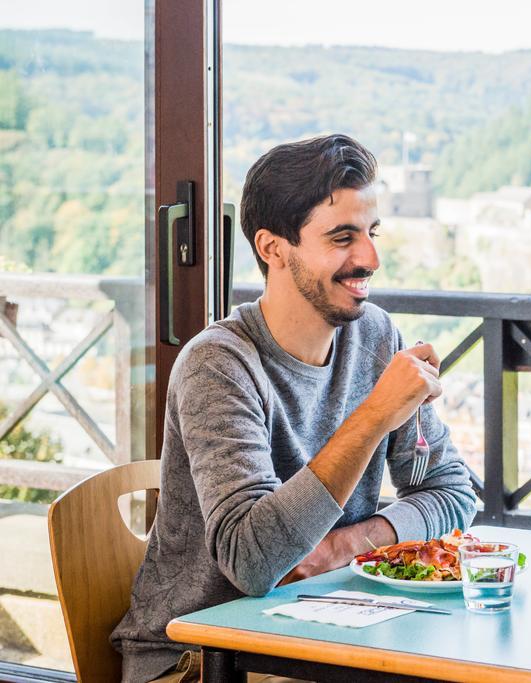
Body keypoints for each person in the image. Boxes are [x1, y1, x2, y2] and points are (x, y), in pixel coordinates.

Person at [111, 134, 477, 682]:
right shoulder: (218, 364)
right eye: (342, 237)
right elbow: (253, 562)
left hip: (320, 639)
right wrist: (375, 416)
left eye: (371, 234)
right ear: (272, 248)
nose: (370, 259)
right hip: (196, 659)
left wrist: (344, 546)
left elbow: (453, 492)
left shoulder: (375, 337)